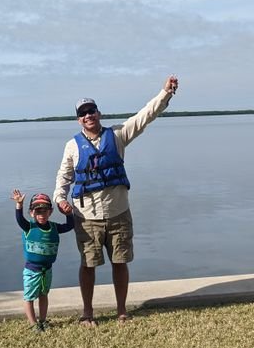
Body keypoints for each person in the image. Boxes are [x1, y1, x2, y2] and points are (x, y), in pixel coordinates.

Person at [53, 76, 178, 327]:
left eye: (91, 111)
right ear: (78, 119)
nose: (88, 115)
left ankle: (122, 311)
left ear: (99, 113)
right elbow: (64, 176)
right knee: (88, 265)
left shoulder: (118, 135)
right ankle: (87, 313)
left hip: (119, 212)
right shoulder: (72, 146)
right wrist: (59, 198)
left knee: (120, 262)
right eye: (83, 113)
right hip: (86, 216)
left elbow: (145, 116)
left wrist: (165, 93)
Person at [11, 189, 74, 332]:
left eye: (44, 211)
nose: (41, 215)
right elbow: (19, 220)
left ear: (50, 212)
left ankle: (43, 320)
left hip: (47, 270)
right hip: (31, 270)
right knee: (29, 297)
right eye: (37, 212)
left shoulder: (54, 227)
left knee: (44, 294)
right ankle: (33, 324)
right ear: (32, 213)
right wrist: (19, 205)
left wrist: (69, 214)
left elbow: (70, 226)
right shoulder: (29, 227)